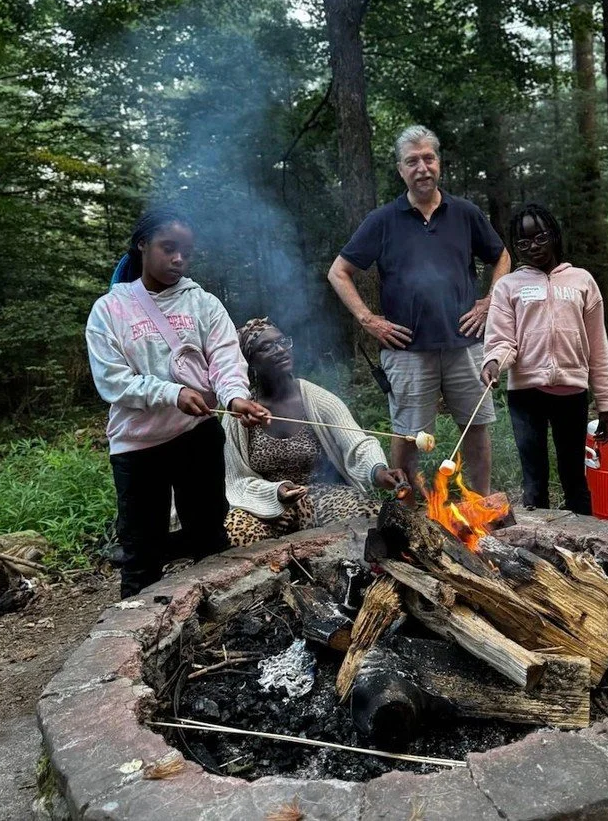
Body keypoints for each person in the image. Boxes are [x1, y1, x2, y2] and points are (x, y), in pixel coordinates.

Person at [86, 207, 269, 597]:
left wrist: (235, 397)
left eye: (186, 251)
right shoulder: (110, 310)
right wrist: (172, 393)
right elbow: (112, 381)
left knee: (209, 538)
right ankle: (135, 628)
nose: (179, 259)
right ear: (142, 245)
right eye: (168, 248)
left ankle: (222, 615)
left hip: (197, 436)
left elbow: (225, 357)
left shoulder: (202, 303)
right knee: (142, 552)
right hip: (138, 447)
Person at [328, 125, 511, 496]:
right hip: (406, 349)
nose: (422, 168)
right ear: (401, 170)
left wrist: (491, 300)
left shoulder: (465, 213)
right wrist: (368, 319)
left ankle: (482, 503)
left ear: (438, 163)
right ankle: (407, 509)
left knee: (476, 427)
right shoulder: (382, 220)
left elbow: (502, 256)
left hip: (466, 343)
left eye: (428, 158)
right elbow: (338, 272)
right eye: (412, 161)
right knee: (408, 434)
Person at [222, 317, 409, 546]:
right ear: (250, 361)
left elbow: (357, 443)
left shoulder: (317, 399)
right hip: (266, 503)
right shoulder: (240, 411)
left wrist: (377, 470)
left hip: (324, 495)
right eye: (267, 347)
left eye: (282, 342)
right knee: (235, 535)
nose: (280, 350)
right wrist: (276, 491)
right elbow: (236, 479)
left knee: (372, 521)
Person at [481, 203, 608, 514]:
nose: (533, 247)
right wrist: (493, 361)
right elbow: (502, 341)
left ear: (554, 235)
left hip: (572, 393)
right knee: (534, 481)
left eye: (540, 237)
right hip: (526, 395)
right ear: (515, 247)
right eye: (523, 242)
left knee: (574, 477)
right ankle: (535, 541)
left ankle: (585, 539)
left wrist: (606, 405)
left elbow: (598, 347)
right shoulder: (508, 286)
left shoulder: (582, 281)